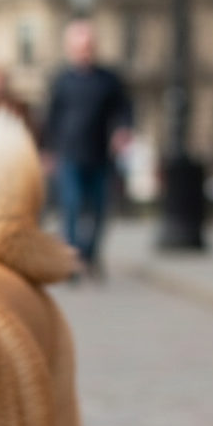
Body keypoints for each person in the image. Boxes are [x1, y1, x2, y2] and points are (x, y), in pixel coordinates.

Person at [43, 19, 133, 276]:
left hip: (101, 156)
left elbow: (124, 110)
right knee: (70, 208)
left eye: (89, 46)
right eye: (80, 46)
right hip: (69, 155)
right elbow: (51, 118)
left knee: (100, 211)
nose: (85, 51)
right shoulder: (61, 80)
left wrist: (123, 130)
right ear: (70, 48)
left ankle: (89, 255)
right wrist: (48, 151)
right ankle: (72, 261)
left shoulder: (109, 80)